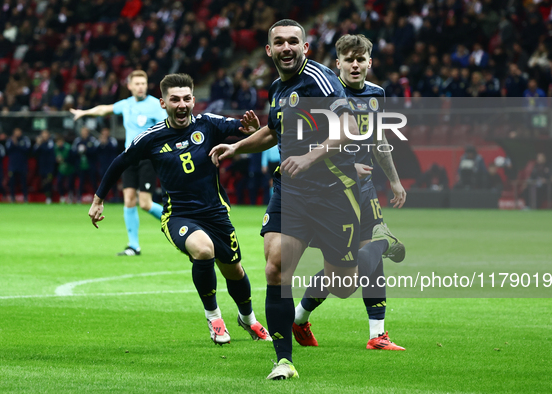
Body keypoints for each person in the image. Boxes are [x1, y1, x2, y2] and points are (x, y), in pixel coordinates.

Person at [210, 20, 405, 380]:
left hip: (334, 193)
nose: (286, 48)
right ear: (268, 50)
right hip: (292, 190)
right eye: (279, 42)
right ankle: (283, 360)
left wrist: (309, 157)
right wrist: (236, 147)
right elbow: (273, 129)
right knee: (276, 267)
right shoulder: (277, 88)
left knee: (344, 284)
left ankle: (353, 268)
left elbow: (347, 129)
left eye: (293, 42)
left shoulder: (321, 80)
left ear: (305, 48)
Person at [88, 73, 270, 345]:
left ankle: (249, 319)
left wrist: (253, 127)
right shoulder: (151, 138)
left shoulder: (208, 124)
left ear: (194, 100)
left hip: (216, 213)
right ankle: (214, 318)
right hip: (179, 215)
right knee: (203, 249)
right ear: (163, 103)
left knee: (234, 271)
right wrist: (98, 199)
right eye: (175, 99)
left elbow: (241, 128)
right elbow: (120, 163)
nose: (182, 104)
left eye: (186, 98)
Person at [291, 34, 407, 352]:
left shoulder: (376, 95)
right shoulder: (326, 93)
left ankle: (377, 334)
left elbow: (379, 141)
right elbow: (304, 142)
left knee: (364, 259)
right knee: (343, 273)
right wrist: (345, 165)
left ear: (369, 62)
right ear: (338, 63)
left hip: (364, 188)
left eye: (361, 59)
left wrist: (394, 180)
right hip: (328, 190)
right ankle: (298, 318)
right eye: (349, 59)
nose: (355, 65)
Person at [71, 70, 167, 256]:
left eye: (143, 83)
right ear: (129, 86)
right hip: (129, 158)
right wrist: (84, 112)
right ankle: (133, 246)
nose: (141, 87)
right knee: (129, 200)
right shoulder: (126, 104)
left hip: (148, 158)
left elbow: (166, 128)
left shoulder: (156, 105)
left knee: (145, 204)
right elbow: (104, 109)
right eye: (137, 83)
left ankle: (177, 221)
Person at [71, 127, 99, 202]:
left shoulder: (92, 140)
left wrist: (86, 150)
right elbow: (73, 152)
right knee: (81, 182)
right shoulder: (77, 141)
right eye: (83, 131)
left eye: (85, 131)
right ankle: (79, 198)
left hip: (91, 165)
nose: (84, 133)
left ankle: (98, 199)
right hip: (80, 166)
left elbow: (96, 151)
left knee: (94, 182)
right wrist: (78, 151)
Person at [5, 128, 31, 203]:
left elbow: (27, 150)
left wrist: (17, 144)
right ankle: (12, 198)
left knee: (23, 182)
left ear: (21, 132)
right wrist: (14, 143)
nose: (17, 133)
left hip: (22, 165)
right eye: (15, 132)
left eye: (18, 131)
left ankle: (25, 198)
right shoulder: (10, 140)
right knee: (12, 183)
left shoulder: (25, 139)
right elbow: (7, 150)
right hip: (13, 165)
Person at [33, 129, 56, 204]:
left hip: (50, 167)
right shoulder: (39, 144)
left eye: (46, 134)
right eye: (43, 134)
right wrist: (38, 144)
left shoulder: (51, 143)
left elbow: (48, 150)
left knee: (48, 182)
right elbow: (34, 153)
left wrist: (41, 145)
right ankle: (47, 197)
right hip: (42, 166)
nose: (44, 136)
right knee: (43, 182)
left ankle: (50, 197)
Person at [54, 135, 75, 203]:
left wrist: (64, 159)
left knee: (70, 184)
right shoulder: (55, 148)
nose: (59, 143)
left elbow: (72, 159)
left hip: (70, 168)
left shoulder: (68, 148)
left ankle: (70, 196)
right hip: (61, 169)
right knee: (59, 182)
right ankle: (62, 196)